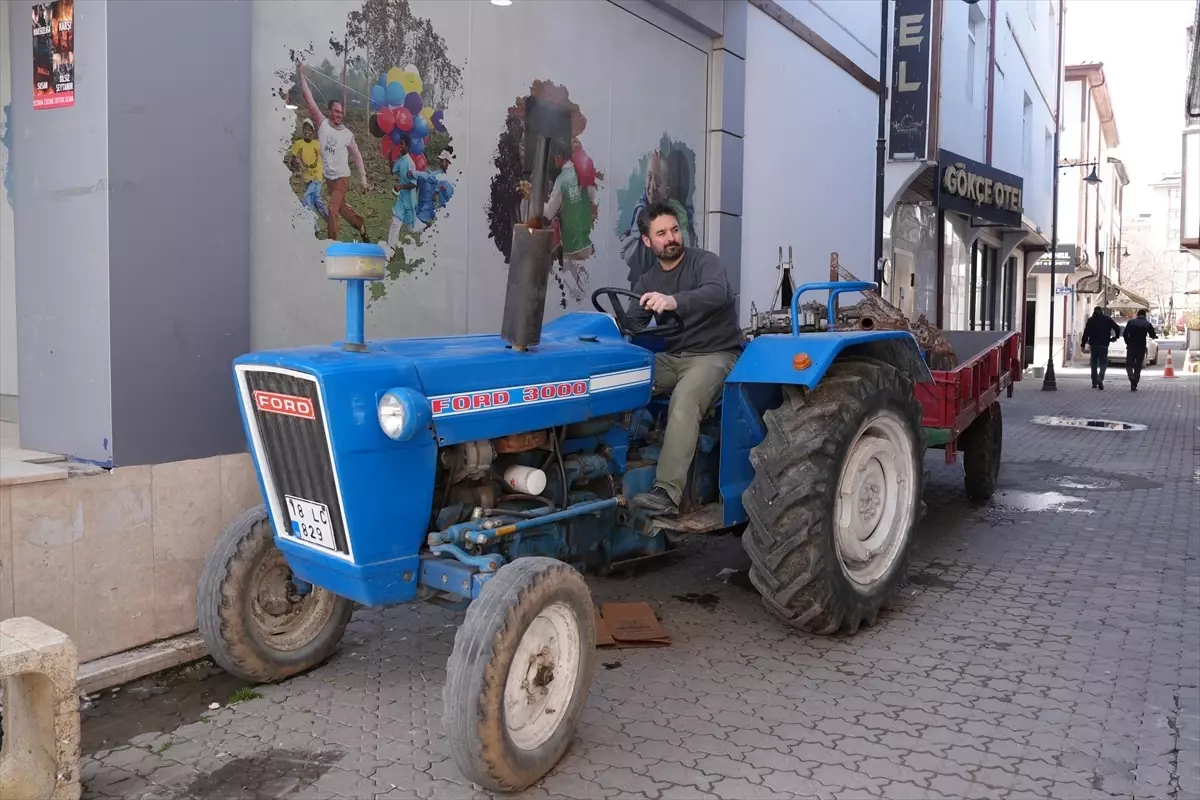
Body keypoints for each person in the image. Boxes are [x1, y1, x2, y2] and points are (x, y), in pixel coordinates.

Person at [624, 201, 743, 516]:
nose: (671, 237)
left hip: (716, 354)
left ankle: (667, 492)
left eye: (675, 230)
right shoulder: (648, 280)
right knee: (625, 381)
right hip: (673, 357)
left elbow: (717, 293)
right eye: (661, 233)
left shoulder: (706, 263)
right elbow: (631, 322)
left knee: (685, 400)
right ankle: (621, 459)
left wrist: (673, 301)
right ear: (648, 242)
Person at [297, 61, 371, 243]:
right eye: (336, 111)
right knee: (342, 208)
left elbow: (357, 155)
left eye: (341, 112)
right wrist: (301, 76)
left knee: (332, 209)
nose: (339, 114)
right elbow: (309, 99)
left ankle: (331, 246)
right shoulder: (321, 124)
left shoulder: (347, 135)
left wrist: (362, 179)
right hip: (329, 180)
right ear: (329, 111)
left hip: (342, 179)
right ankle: (360, 226)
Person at [287, 119, 329, 232]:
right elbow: (292, 160)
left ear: (313, 132)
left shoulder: (317, 144)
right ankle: (330, 221)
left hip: (317, 177)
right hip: (306, 178)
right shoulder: (298, 144)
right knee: (316, 201)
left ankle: (314, 229)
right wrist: (295, 163)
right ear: (302, 131)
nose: (307, 131)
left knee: (306, 200)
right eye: (305, 129)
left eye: (309, 129)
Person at [383, 138, 419, 259]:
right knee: (395, 223)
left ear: (407, 147)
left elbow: (414, 183)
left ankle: (428, 228)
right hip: (401, 199)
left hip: (410, 200)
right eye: (399, 144)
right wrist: (389, 154)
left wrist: (401, 186)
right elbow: (393, 171)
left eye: (402, 144)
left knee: (412, 229)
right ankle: (390, 251)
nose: (399, 146)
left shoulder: (410, 163)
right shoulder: (401, 160)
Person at [1081, 306, 1121, 390]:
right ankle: (1100, 378)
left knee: (1094, 363)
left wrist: (1083, 344)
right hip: (1104, 344)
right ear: (1101, 311)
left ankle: (1094, 382)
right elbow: (1117, 328)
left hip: (1094, 345)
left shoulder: (1091, 320)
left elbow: (1086, 333)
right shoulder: (1107, 319)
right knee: (1103, 363)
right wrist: (1116, 337)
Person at [1121, 309, 1159, 391]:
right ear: (1145, 316)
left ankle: (1131, 377)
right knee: (1138, 365)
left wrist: (1128, 342)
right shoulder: (1147, 324)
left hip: (1131, 345)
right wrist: (1154, 336)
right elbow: (1152, 335)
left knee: (1129, 364)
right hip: (1141, 346)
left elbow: (1125, 334)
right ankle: (1134, 383)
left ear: (1137, 315)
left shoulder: (1131, 322)